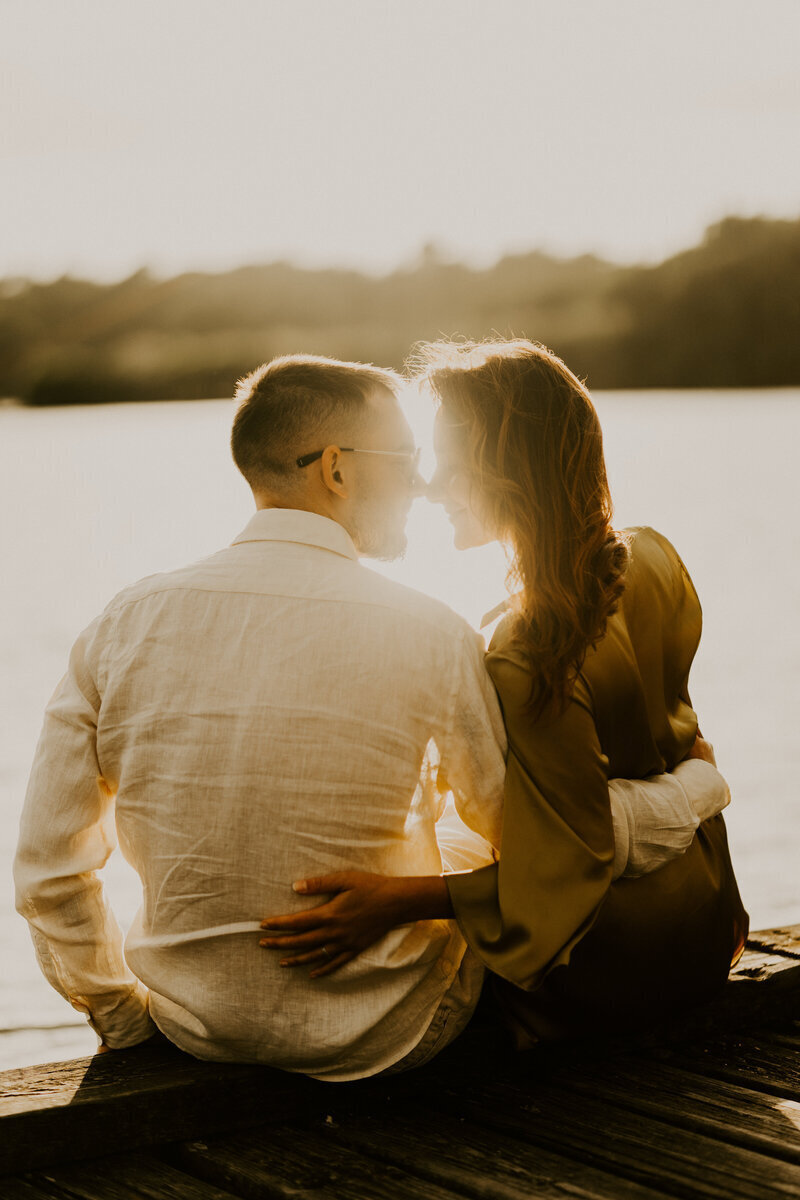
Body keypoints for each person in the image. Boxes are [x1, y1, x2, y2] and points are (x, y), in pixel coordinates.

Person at [15, 353, 729, 1079]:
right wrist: (694, 791)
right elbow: (544, 847)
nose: (421, 487)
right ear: (336, 470)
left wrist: (125, 1018)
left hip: (195, 1027)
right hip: (393, 1030)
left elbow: (47, 869)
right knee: (464, 824)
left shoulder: (120, 623)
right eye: (407, 460)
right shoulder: (436, 634)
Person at [259, 340, 749, 1046]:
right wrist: (701, 786)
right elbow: (678, 748)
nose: (429, 488)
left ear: (508, 473)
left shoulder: (525, 651)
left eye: (450, 466)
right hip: (703, 928)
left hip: (611, 965)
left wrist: (395, 902)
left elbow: (570, 861)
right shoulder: (652, 559)